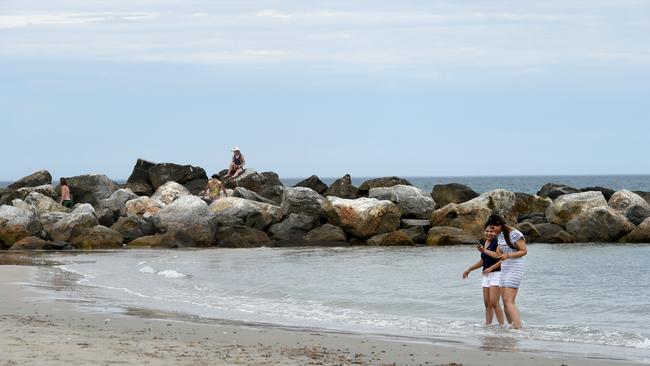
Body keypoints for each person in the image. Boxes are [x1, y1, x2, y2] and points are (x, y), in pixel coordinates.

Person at [480, 214, 528, 329]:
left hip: (515, 269)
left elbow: (524, 251)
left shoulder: (515, 233)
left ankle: (518, 329)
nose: (492, 230)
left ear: (499, 224)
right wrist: (484, 251)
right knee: (505, 301)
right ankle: (511, 327)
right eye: (490, 228)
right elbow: (497, 255)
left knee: (508, 300)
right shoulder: (500, 235)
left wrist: (508, 255)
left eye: (493, 228)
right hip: (504, 269)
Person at [463, 225, 505, 326]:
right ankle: (488, 325)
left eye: (492, 231)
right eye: (487, 231)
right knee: (487, 303)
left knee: (495, 302)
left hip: (497, 274)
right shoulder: (484, 242)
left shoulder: (497, 242)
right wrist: (469, 269)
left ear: (496, 233)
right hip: (486, 276)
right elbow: (483, 261)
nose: (489, 233)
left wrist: (491, 268)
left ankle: (502, 326)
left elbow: (502, 259)